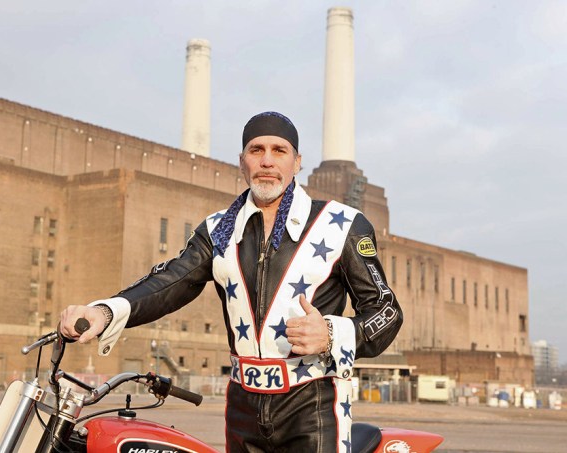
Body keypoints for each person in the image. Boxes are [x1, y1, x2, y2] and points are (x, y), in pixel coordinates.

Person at [60, 111, 402, 452]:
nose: (267, 161)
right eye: (257, 151)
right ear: (242, 162)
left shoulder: (342, 224)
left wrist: (331, 333)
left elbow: (386, 310)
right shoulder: (218, 229)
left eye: (279, 151)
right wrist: (105, 311)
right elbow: (171, 280)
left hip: (312, 407)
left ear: (297, 162)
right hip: (242, 409)